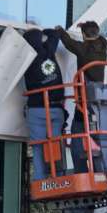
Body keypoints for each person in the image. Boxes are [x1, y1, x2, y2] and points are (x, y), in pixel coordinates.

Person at [55, 22, 107, 172]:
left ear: (84, 35)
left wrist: (60, 31)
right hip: (97, 98)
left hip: (85, 100)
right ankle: (100, 171)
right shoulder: (103, 46)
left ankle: (81, 172)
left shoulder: (85, 49)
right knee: (96, 137)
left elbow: (69, 44)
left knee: (77, 136)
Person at [22, 27, 65, 179]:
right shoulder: (49, 50)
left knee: (38, 147)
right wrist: (44, 31)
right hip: (55, 107)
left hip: (36, 109)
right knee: (55, 145)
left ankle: (39, 179)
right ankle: (58, 177)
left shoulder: (26, 58)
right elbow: (55, 34)